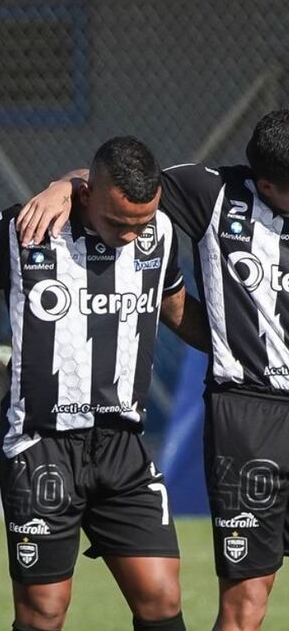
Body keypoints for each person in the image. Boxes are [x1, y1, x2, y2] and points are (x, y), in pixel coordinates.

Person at [20, 110, 289, 631]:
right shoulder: (210, 194)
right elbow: (121, 182)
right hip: (250, 418)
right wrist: (64, 184)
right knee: (247, 603)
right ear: (269, 184)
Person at [0, 136, 209, 631]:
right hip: (40, 445)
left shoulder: (160, 235)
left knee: (161, 596)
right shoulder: (25, 231)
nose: (131, 236)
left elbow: (173, 306)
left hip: (123, 447)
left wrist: (243, 347)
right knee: (44, 610)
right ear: (86, 197)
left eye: (141, 224)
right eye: (118, 224)